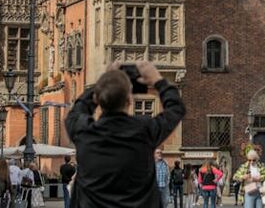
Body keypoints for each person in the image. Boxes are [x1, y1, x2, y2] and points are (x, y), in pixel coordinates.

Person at [64, 60, 186, 208]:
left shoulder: (84, 132)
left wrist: (106, 81)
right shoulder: (144, 131)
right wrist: (158, 80)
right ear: (129, 100)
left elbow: (78, 109)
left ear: (97, 98)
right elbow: (176, 108)